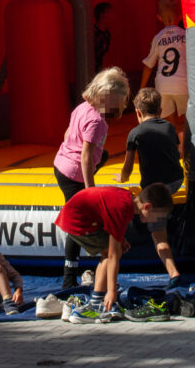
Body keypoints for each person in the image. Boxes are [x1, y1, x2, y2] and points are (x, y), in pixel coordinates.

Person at [53, 66, 130, 288]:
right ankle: (69, 277)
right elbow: (85, 156)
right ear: (108, 97)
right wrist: (90, 190)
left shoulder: (82, 107)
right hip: (74, 173)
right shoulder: (97, 121)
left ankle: (72, 274)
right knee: (77, 222)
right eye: (116, 104)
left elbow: (68, 133)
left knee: (101, 154)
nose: (115, 109)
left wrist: (71, 148)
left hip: (62, 164)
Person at [54, 183, 174, 323]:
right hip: (76, 220)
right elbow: (112, 256)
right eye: (159, 216)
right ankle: (96, 302)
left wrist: (120, 239)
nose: (158, 221)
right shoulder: (121, 209)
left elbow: (105, 213)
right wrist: (111, 292)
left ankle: (99, 297)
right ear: (147, 207)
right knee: (109, 254)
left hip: (82, 215)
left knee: (114, 250)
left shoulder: (126, 200)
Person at [114, 87, 184, 285]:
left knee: (158, 235)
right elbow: (174, 152)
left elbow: (127, 169)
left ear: (138, 112)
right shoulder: (169, 127)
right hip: (175, 181)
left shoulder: (135, 133)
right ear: (160, 111)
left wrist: (122, 178)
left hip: (155, 189)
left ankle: (173, 272)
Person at [139, 0, 189, 152]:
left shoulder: (158, 38)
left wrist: (142, 88)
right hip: (183, 83)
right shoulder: (186, 35)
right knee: (188, 119)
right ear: (181, 16)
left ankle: (173, 147)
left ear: (159, 17)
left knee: (168, 120)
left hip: (163, 84)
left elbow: (149, 65)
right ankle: (185, 146)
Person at [94, 2, 112, 68]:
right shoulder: (91, 33)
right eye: (109, 13)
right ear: (102, 15)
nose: (112, 17)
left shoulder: (107, 34)